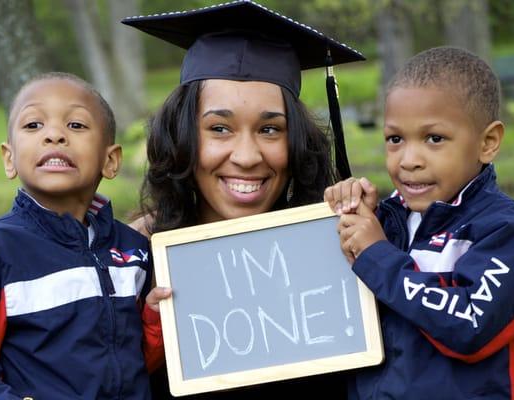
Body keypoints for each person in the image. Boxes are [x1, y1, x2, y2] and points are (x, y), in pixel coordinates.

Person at [123, 1, 365, 397]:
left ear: (297, 142)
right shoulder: (132, 262)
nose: (248, 156)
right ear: (182, 137)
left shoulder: (340, 248)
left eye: (271, 130)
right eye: (220, 128)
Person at [324, 46, 514, 399]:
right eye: (395, 139)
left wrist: (376, 254)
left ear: (488, 142)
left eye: (434, 139)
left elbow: (470, 324)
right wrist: (359, 216)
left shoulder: (504, 228)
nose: (409, 160)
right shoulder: (388, 223)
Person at [0, 72, 164, 399]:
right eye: (33, 125)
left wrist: (155, 321)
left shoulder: (135, 251)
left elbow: (134, 361)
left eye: (76, 125)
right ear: (9, 158)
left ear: (110, 160)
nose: (55, 135)